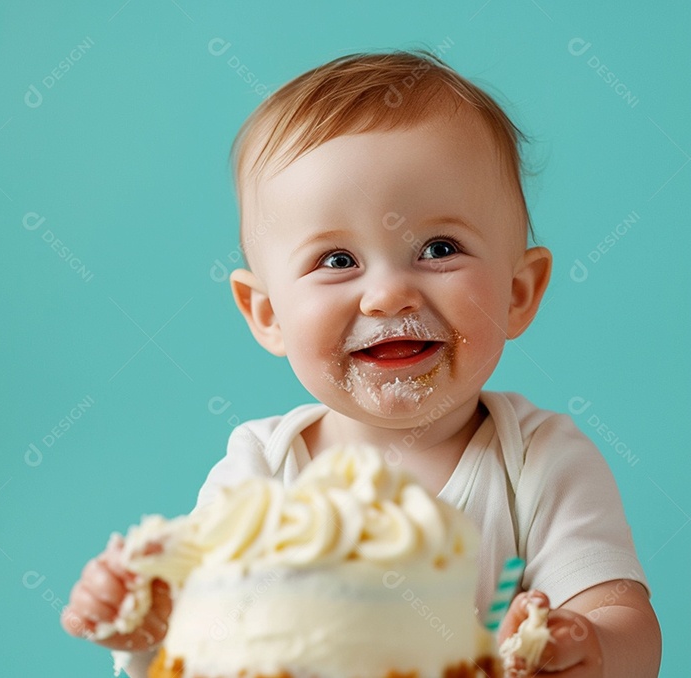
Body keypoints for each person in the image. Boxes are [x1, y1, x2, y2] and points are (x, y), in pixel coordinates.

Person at [62, 49, 661, 677]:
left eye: (438, 248)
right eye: (337, 260)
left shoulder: (538, 463)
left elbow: (625, 622)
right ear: (266, 313)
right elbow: (201, 646)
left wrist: (586, 649)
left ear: (518, 293)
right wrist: (143, 624)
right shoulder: (262, 470)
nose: (387, 295)